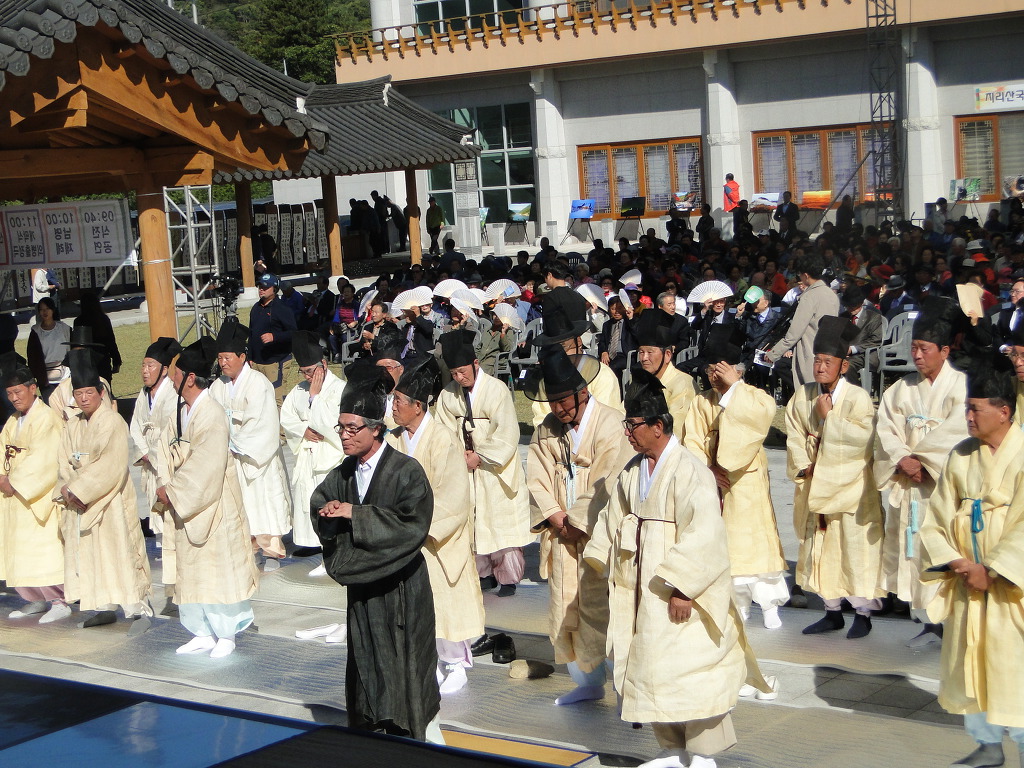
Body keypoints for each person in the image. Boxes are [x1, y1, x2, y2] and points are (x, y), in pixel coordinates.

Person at [586, 370, 772, 768]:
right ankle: (671, 748)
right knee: (651, 666)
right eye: (626, 425)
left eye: (633, 426)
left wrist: (684, 588)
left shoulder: (690, 470)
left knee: (691, 669)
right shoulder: (633, 470)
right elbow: (612, 516)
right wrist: (600, 557)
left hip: (678, 590)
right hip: (640, 586)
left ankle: (703, 754)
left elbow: (705, 534)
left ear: (658, 426)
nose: (628, 433)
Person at [311, 365, 442, 743]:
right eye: (341, 427)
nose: (345, 436)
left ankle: (422, 747)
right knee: (366, 667)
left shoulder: (406, 471)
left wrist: (356, 514)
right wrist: (328, 514)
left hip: (402, 591)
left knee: (407, 673)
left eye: (353, 428)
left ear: (376, 429)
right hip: (364, 591)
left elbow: (413, 526)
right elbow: (320, 502)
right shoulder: (343, 473)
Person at [920, 357, 1024, 768]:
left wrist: (992, 569)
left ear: (1004, 411)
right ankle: (988, 746)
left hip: (1011, 588)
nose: (967, 417)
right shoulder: (961, 455)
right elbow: (935, 518)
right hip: (968, 582)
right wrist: (957, 562)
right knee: (971, 667)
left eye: (975, 409)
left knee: (1013, 670)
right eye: (967, 408)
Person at [525, 346, 633, 706]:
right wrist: (556, 515)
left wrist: (578, 521)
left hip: (599, 533)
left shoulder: (612, 423)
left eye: (564, 401)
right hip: (561, 532)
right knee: (565, 607)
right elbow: (536, 476)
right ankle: (587, 681)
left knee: (605, 607)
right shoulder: (547, 428)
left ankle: (624, 685)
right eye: (553, 402)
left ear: (582, 391)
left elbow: (609, 479)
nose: (558, 409)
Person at [154, 337, 259, 659]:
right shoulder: (179, 411)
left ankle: (226, 634)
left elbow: (205, 464)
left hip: (213, 502)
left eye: (175, 373)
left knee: (218, 570)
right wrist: (165, 482)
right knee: (191, 570)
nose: (171, 378)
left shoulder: (211, 413)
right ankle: (200, 631)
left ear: (189, 378)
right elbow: (163, 449)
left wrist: (173, 490)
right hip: (184, 501)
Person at [387, 356, 485, 695]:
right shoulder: (394, 439)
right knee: (415, 607)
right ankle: (431, 664)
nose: (393, 407)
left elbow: (454, 496)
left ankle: (456, 665)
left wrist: (418, 527)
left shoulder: (443, 438)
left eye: (398, 401)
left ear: (418, 406)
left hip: (436, 538)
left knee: (446, 602)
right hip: (404, 536)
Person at [874, 300, 968, 648]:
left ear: (944, 351)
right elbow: (885, 429)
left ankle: (952, 624)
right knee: (913, 550)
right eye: (913, 347)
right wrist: (902, 459)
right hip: (910, 482)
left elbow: (960, 431)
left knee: (942, 546)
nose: (916, 355)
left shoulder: (961, 387)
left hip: (942, 486)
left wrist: (924, 461)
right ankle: (928, 623)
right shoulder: (901, 389)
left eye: (924, 349)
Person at [785, 316, 884, 639]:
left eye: (828, 362)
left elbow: (863, 441)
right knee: (820, 548)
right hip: (815, 484)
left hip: (852, 490)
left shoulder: (857, 398)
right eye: (817, 360)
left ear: (843, 366)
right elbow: (794, 436)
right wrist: (806, 466)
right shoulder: (803, 395)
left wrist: (829, 419)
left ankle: (863, 614)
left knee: (852, 549)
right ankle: (831, 612)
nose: (820, 367)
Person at [684, 326, 789, 631]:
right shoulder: (701, 402)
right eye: (709, 370)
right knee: (724, 547)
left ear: (735, 371)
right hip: (715, 483)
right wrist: (709, 468)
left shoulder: (755, 397)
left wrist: (734, 390)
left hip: (748, 482)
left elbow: (759, 419)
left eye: (718, 370)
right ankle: (737, 605)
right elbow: (692, 440)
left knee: (756, 545)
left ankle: (769, 605)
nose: (712, 376)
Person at [56, 349, 152, 630]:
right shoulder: (72, 425)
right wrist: (68, 490)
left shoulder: (112, 421)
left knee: (120, 553)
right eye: (78, 394)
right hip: (80, 502)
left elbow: (111, 464)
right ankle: (104, 606)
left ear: (100, 393)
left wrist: (79, 491)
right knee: (93, 557)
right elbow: (63, 461)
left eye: (89, 392)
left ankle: (139, 610)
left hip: (110, 501)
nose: (84, 398)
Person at [435, 330, 531, 600]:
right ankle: (483, 574)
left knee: (500, 519)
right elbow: (442, 432)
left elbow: (507, 432)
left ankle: (508, 578)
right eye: (454, 373)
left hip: (495, 468)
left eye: (463, 371)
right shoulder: (448, 395)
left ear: (475, 364)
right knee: (473, 521)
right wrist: (459, 455)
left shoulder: (496, 390)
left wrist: (481, 455)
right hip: (465, 467)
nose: (459, 378)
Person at [210, 320, 291, 570]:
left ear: (242, 357)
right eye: (220, 358)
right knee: (240, 505)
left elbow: (262, 422)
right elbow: (210, 417)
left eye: (227, 358)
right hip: (229, 454)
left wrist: (235, 443)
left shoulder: (258, 383)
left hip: (256, 457)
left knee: (264, 502)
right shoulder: (218, 386)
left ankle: (271, 551)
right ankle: (247, 549)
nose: (223, 363)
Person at [0, 366, 70, 624]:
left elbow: (45, 459)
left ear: (32, 388)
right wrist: (2, 477)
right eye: (9, 393)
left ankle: (58, 601)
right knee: (20, 550)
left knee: (44, 550)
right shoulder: (13, 421)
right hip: (12, 496)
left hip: (37, 497)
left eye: (18, 392)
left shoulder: (47, 418)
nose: (14, 398)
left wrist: (14, 482)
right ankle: (35, 598)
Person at [280, 331, 346, 575]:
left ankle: (333, 554)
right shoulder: (299, 390)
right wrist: (303, 430)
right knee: (308, 501)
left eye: (311, 371)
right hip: (308, 454)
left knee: (328, 504)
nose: (308, 377)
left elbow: (333, 422)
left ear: (324, 365)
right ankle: (315, 545)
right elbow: (287, 417)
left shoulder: (339, 388)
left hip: (330, 456)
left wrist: (315, 398)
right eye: (304, 372)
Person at [128, 336, 183, 616]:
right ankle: (171, 592)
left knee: (174, 533)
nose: (145, 371)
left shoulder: (173, 394)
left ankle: (180, 592)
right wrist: (145, 452)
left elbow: (172, 433)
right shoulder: (143, 395)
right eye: (143, 365)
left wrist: (154, 452)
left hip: (168, 472)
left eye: (150, 366)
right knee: (161, 532)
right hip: (151, 471)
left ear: (163, 369)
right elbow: (135, 428)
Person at [531, 297, 624, 427]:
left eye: (564, 347)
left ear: (578, 342)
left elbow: (607, 418)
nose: (560, 355)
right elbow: (541, 417)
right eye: (553, 349)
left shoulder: (602, 374)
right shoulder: (549, 377)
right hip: (555, 435)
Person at [763, 255, 840, 388]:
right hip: (829, 352)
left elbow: (794, 333)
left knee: (809, 393)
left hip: (810, 351)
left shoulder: (809, 296)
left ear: (806, 275)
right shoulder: (832, 295)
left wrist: (774, 353)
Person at [634, 311, 698, 440]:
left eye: (650, 352)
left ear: (668, 355)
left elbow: (673, 432)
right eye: (641, 352)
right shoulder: (641, 382)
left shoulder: (683, 384)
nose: (644, 358)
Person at [248, 272, 297, 408]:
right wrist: (250, 357)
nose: (261, 289)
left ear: (274, 289)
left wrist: (275, 337)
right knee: (259, 399)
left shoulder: (282, 308)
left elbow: (294, 333)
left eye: (265, 287)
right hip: (257, 362)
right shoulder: (255, 308)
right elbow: (251, 333)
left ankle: (280, 423)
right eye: (260, 287)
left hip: (275, 361)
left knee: (276, 400)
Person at [47, 327, 116, 423]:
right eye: (76, 354)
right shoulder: (61, 389)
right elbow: (58, 419)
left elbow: (110, 409)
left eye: (84, 353)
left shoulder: (102, 382)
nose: (80, 358)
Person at [25, 297, 70, 399]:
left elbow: (71, 348)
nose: (44, 312)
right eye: (41, 309)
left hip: (65, 374)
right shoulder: (36, 331)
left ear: (53, 310)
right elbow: (32, 356)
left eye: (47, 309)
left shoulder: (63, 328)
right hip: (45, 376)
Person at [839, 284, 884, 384]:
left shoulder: (873, 317)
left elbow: (875, 340)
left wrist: (852, 349)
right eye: (848, 306)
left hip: (865, 354)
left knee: (847, 366)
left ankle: (855, 390)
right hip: (844, 354)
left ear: (861, 303)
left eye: (853, 306)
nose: (850, 309)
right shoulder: (843, 317)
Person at [73, 291, 121, 383]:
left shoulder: (79, 321)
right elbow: (111, 341)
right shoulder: (103, 319)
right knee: (105, 387)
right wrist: (116, 361)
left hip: (86, 360)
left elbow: (77, 344)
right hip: (103, 359)